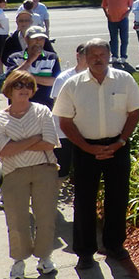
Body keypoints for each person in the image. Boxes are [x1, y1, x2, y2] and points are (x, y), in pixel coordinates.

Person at [53, 38, 139, 268]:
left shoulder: (124, 80)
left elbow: (134, 113)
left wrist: (121, 141)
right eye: (92, 54)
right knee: (84, 200)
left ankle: (114, 245)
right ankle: (85, 252)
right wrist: (86, 147)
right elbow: (65, 122)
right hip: (85, 149)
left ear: (109, 55)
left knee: (118, 197)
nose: (97, 59)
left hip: (118, 147)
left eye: (102, 54)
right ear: (84, 57)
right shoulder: (73, 84)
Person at [0, 70, 59, 279]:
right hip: (13, 174)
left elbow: (50, 143)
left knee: (46, 216)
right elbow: (1, 151)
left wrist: (16, 145)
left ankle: (45, 257)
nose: (24, 89)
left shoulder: (42, 111)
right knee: (16, 219)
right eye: (19, 85)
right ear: (9, 90)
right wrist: (34, 139)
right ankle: (19, 261)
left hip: (44, 169)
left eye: (28, 86)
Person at [50, 43, 86, 181]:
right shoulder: (64, 79)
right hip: (64, 132)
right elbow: (58, 106)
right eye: (85, 55)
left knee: (81, 170)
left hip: (85, 131)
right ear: (78, 56)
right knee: (61, 170)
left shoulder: (96, 78)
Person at [5, 26, 60, 109]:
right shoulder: (15, 58)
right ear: (26, 39)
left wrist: (28, 77)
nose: (38, 41)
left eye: (41, 39)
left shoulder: (52, 58)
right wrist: (30, 60)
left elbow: (56, 81)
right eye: (35, 38)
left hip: (46, 106)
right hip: (19, 107)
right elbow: (11, 78)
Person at [101, 0, 132, 64]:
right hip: (112, 19)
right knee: (113, 39)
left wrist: (127, 13)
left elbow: (131, 4)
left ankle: (123, 56)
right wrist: (107, 14)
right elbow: (104, 5)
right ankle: (114, 56)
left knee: (124, 38)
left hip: (123, 19)